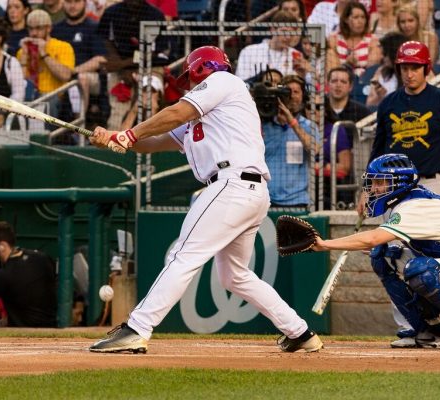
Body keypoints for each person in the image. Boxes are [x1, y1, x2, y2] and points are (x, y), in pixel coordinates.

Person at [88, 46, 323, 354]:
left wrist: (128, 135)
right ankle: (300, 332)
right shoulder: (208, 115)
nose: (188, 83)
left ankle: (137, 328)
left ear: (202, 69)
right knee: (234, 275)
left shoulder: (224, 82)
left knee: (183, 255)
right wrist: (116, 139)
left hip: (232, 185)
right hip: (247, 192)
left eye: (191, 76)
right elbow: (157, 141)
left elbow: (175, 112)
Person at [311, 153, 440, 350]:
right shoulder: (404, 204)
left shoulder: (416, 205)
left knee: (421, 270)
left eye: (380, 182)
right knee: (383, 256)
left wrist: (324, 244)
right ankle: (429, 330)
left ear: (400, 183)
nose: (374, 188)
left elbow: (372, 237)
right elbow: (379, 244)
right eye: (373, 182)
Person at [363, 41, 440, 215]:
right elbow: (378, 150)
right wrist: (367, 189)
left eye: (415, 68)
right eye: (405, 68)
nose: (409, 74)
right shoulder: (387, 104)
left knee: (427, 240)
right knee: (395, 241)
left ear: (426, 68)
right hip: (393, 185)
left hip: (429, 184)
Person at [96, 0, 165, 130]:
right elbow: (105, 40)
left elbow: (154, 51)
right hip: (120, 71)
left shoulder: (155, 15)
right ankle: (115, 147)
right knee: (116, 119)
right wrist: (122, 69)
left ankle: (148, 149)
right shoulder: (112, 12)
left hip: (151, 67)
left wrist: (123, 65)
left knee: (149, 107)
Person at [263, 74, 320, 207]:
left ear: (303, 96)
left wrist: (292, 121)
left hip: (297, 200)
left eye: (296, 92)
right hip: (266, 200)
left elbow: (314, 150)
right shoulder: (264, 126)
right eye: (288, 91)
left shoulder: (309, 126)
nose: (293, 96)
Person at [51, 0, 107, 115]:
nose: (72, 6)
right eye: (68, 2)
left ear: (85, 3)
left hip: (89, 76)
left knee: (82, 78)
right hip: (60, 76)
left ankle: (78, 126)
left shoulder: (94, 27)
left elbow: (100, 59)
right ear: (62, 3)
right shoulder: (56, 29)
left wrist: (73, 71)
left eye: (77, 1)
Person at [16, 9, 75, 116]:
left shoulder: (63, 47)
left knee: (48, 101)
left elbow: (66, 75)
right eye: (30, 28)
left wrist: (44, 54)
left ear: (49, 28)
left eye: (38, 28)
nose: (33, 33)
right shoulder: (22, 51)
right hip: (30, 95)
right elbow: (20, 83)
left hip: (54, 97)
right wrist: (24, 58)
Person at [235, 10, 302, 81]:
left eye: (291, 33)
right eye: (284, 31)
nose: (288, 37)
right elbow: (241, 82)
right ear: (273, 30)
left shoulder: (296, 55)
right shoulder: (249, 51)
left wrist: (303, 74)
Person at [326, 1, 382, 78]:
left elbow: (371, 71)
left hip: (364, 84)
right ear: (346, 19)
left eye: (363, 17)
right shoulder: (334, 39)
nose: (360, 21)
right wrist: (347, 64)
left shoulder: (373, 40)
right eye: (356, 17)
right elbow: (332, 72)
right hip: (339, 82)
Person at [326, 65, 372, 142]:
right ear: (327, 84)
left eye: (343, 82)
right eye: (334, 81)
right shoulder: (319, 109)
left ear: (350, 87)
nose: (338, 85)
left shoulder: (362, 112)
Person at [366, 32, 408, 109]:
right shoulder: (381, 71)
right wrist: (380, 97)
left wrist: (387, 97)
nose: (382, 57)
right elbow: (369, 105)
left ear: (394, 54)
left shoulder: (416, 73)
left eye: (385, 54)